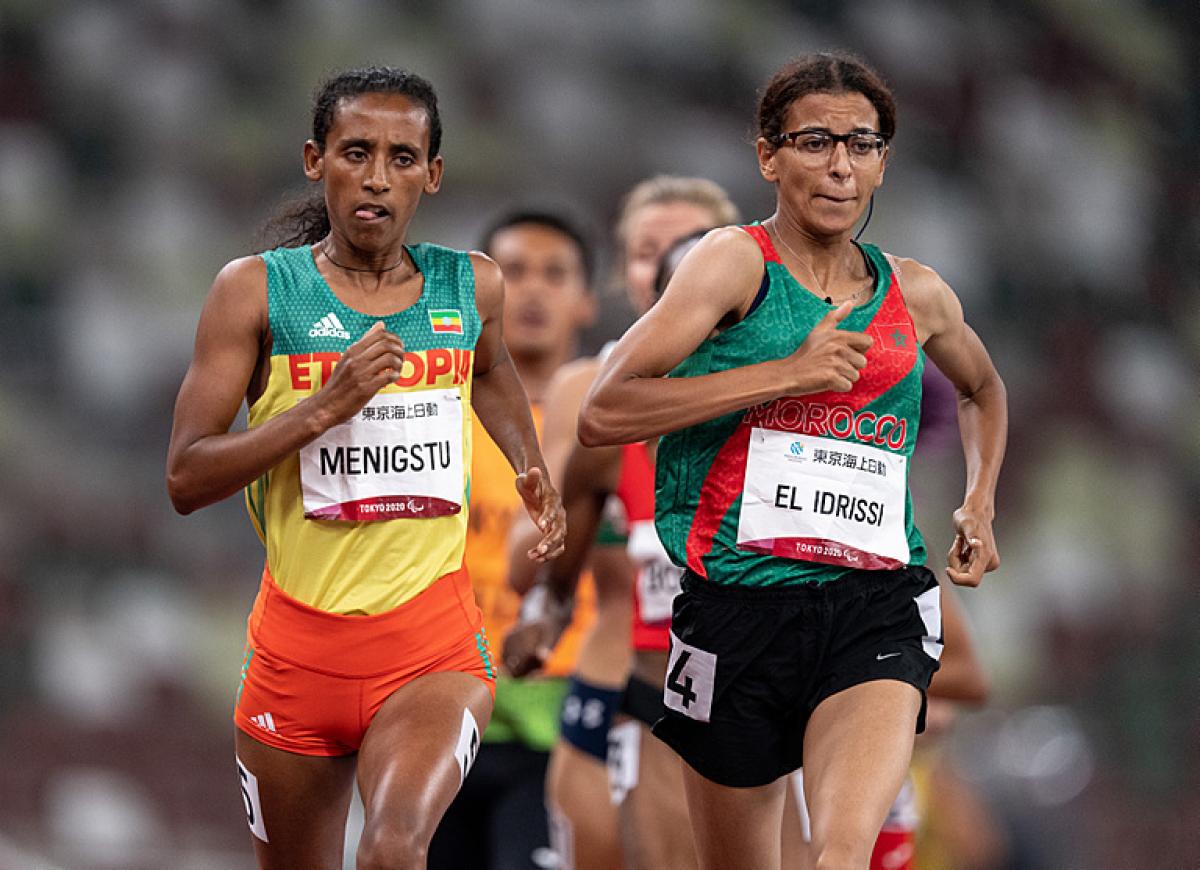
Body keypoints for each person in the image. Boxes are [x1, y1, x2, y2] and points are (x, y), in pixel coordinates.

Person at [577, 51, 1007, 870]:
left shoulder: (914, 293)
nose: (840, 165)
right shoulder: (732, 265)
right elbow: (607, 409)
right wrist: (789, 374)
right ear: (768, 155)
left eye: (863, 144)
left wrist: (980, 500)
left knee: (839, 856)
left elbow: (984, 390)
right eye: (815, 142)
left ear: (884, 161)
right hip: (735, 611)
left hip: (873, 605)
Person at [165, 66, 565, 869]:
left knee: (392, 849)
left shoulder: (469, 283)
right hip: (294, 653)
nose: (378, 176)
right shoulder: (254, 294)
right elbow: (187, 477)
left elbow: (487, 371)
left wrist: (528, 463)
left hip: (430, 648)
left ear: (434, 173)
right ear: (316, 160)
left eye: (403, 157)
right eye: (356, 151)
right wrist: (324, 405)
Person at [506, 177, 740, 869]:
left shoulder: (778, 379)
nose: (671, 267)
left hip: (753, 684)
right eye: (647, 252)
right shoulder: (588, 390)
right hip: (618, 681)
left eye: (693, 248)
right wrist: (581, 519)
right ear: (624, 270)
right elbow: (530, 559)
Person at [428, 210, 599, 870]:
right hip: (443, 706)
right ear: (479, 296)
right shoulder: (433, 414)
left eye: (554, 274)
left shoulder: (610, 426)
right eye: (514, 272)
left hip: (565, 714)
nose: (532, 291)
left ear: (586, 299)